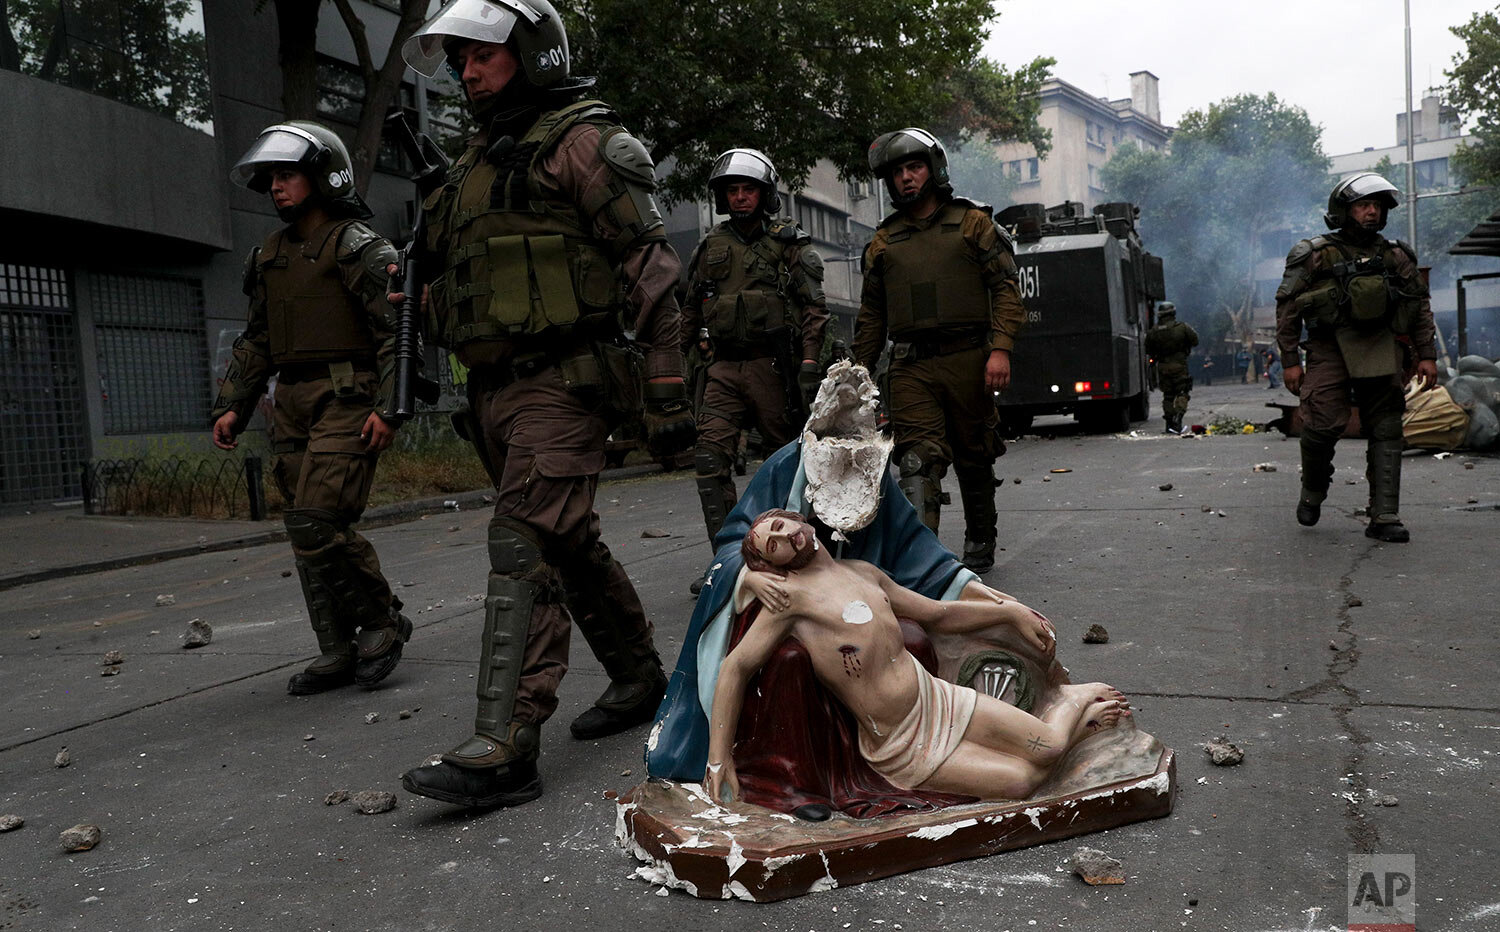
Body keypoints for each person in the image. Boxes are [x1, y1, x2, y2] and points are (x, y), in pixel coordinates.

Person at [392, 0, 695, 809]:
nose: (467, 70)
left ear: (533, 52)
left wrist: (668, 391)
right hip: (490, 391)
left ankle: (506, 745)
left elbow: (652, 270)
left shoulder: (584, 143)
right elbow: (471, 284)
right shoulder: (475, 166)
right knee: (568, 544)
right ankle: (638, 677)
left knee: (521, 542)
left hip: (564, 381)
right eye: (457, 58)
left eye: (482, 53)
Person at [703, 509, 1126, 803]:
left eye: (779, 526)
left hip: (938, 699)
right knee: (1022, 779)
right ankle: (1076, 713)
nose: (781, 537)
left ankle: (1071, 706)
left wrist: (1010, 612)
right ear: (771, 566)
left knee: (1046, 748)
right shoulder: (789, 600)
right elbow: (735, 668)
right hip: (901, 743)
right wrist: (718, 760)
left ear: (797, 518)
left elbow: (937, 614)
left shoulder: (862, 572)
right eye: (771, 545)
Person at [212, 121, 411, 696]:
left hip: (348, 397)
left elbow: (397, 330)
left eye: (289, 174)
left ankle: (381, 621)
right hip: (291, 401)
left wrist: (391, 408)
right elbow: (255, 340)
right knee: (303, 532)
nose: (277, 186)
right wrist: (234, 405)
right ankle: (337, 647)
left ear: (323, 176)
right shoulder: (269, 255)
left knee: (316, 521)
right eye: (271, 177)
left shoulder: (358, 246)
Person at [853, 128, 1025, 574]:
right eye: (898, 173)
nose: (907, 178)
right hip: (911, 365)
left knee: (974, 455)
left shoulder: (973, 224)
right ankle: (921, 556)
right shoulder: (883, 242)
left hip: (970, 358)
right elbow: (872, 316)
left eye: (915, 167)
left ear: (935, 168)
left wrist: (1000, 350)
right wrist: (856, 373)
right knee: (916, 459)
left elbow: (1006, 292)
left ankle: (981, 539)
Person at [682, 148, 828, 594]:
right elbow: (688, 311)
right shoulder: (711, 247)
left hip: (773, 366)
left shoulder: (789, 245)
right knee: (709, 462)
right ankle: (727, 561)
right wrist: (677, 367)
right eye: (733, 190)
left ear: (765, 195)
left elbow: (813, 310)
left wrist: (807, 366)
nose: (741, 197)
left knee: (785, 466)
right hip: (724, 366)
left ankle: (792, 554)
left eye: (749, 189)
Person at [1275, 172, 1436, 542]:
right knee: (1320, 424)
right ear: (1344, 210)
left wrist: (1427, 355)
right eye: (1364, 205)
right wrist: (1289, 361)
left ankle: (1384, 515)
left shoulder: (1395, 255)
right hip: (1329, 348)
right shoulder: (1314, 254)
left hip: (1381, 346)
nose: (1372, 212)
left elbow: (1418, 306)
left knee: (1387, 428)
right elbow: (1287, 309)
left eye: (1377, 206)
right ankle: (1313, 491)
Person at [1144, 301, 1198, 433]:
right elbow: (1195, 341)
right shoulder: (1182, 327)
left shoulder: (1153, 332)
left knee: (1168, 396)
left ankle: (1169, 424)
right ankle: (1178, 418)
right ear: (1173, 313)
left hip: (1162, 367)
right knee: (1182, 392)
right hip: (1179, 365)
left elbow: (1148, 349)